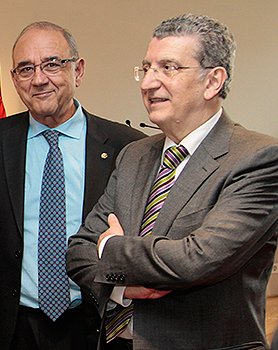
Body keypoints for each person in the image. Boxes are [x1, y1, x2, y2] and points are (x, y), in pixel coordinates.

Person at [66, 14, 278, 350]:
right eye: (146, 68)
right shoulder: (134, 155)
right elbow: (78, 251)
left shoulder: (259, 157)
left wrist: (110, 249)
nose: (148, 83)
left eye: (168, 68)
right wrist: (121, 286)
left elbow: (196, 260)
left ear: (213, 81)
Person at [0, 22, 145, 350]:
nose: (39, 79)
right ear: (14, 78)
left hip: (98, 322)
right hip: (14, 325)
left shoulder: (128, 147)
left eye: (52, 64)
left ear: (78, 70)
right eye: (26, 68)